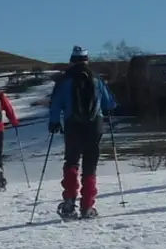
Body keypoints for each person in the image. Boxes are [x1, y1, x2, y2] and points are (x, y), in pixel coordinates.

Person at [48, 46, 118, 218]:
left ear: (71, 60)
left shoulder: (64, 80)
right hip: (95, 126)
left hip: (73, 125)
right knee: (90, 166)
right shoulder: (96, 79)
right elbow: (110, 104)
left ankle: (69, 202)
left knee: (71, 161)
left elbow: (55, 103)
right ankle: (87, 206)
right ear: (87, 60)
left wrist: (54, 122)